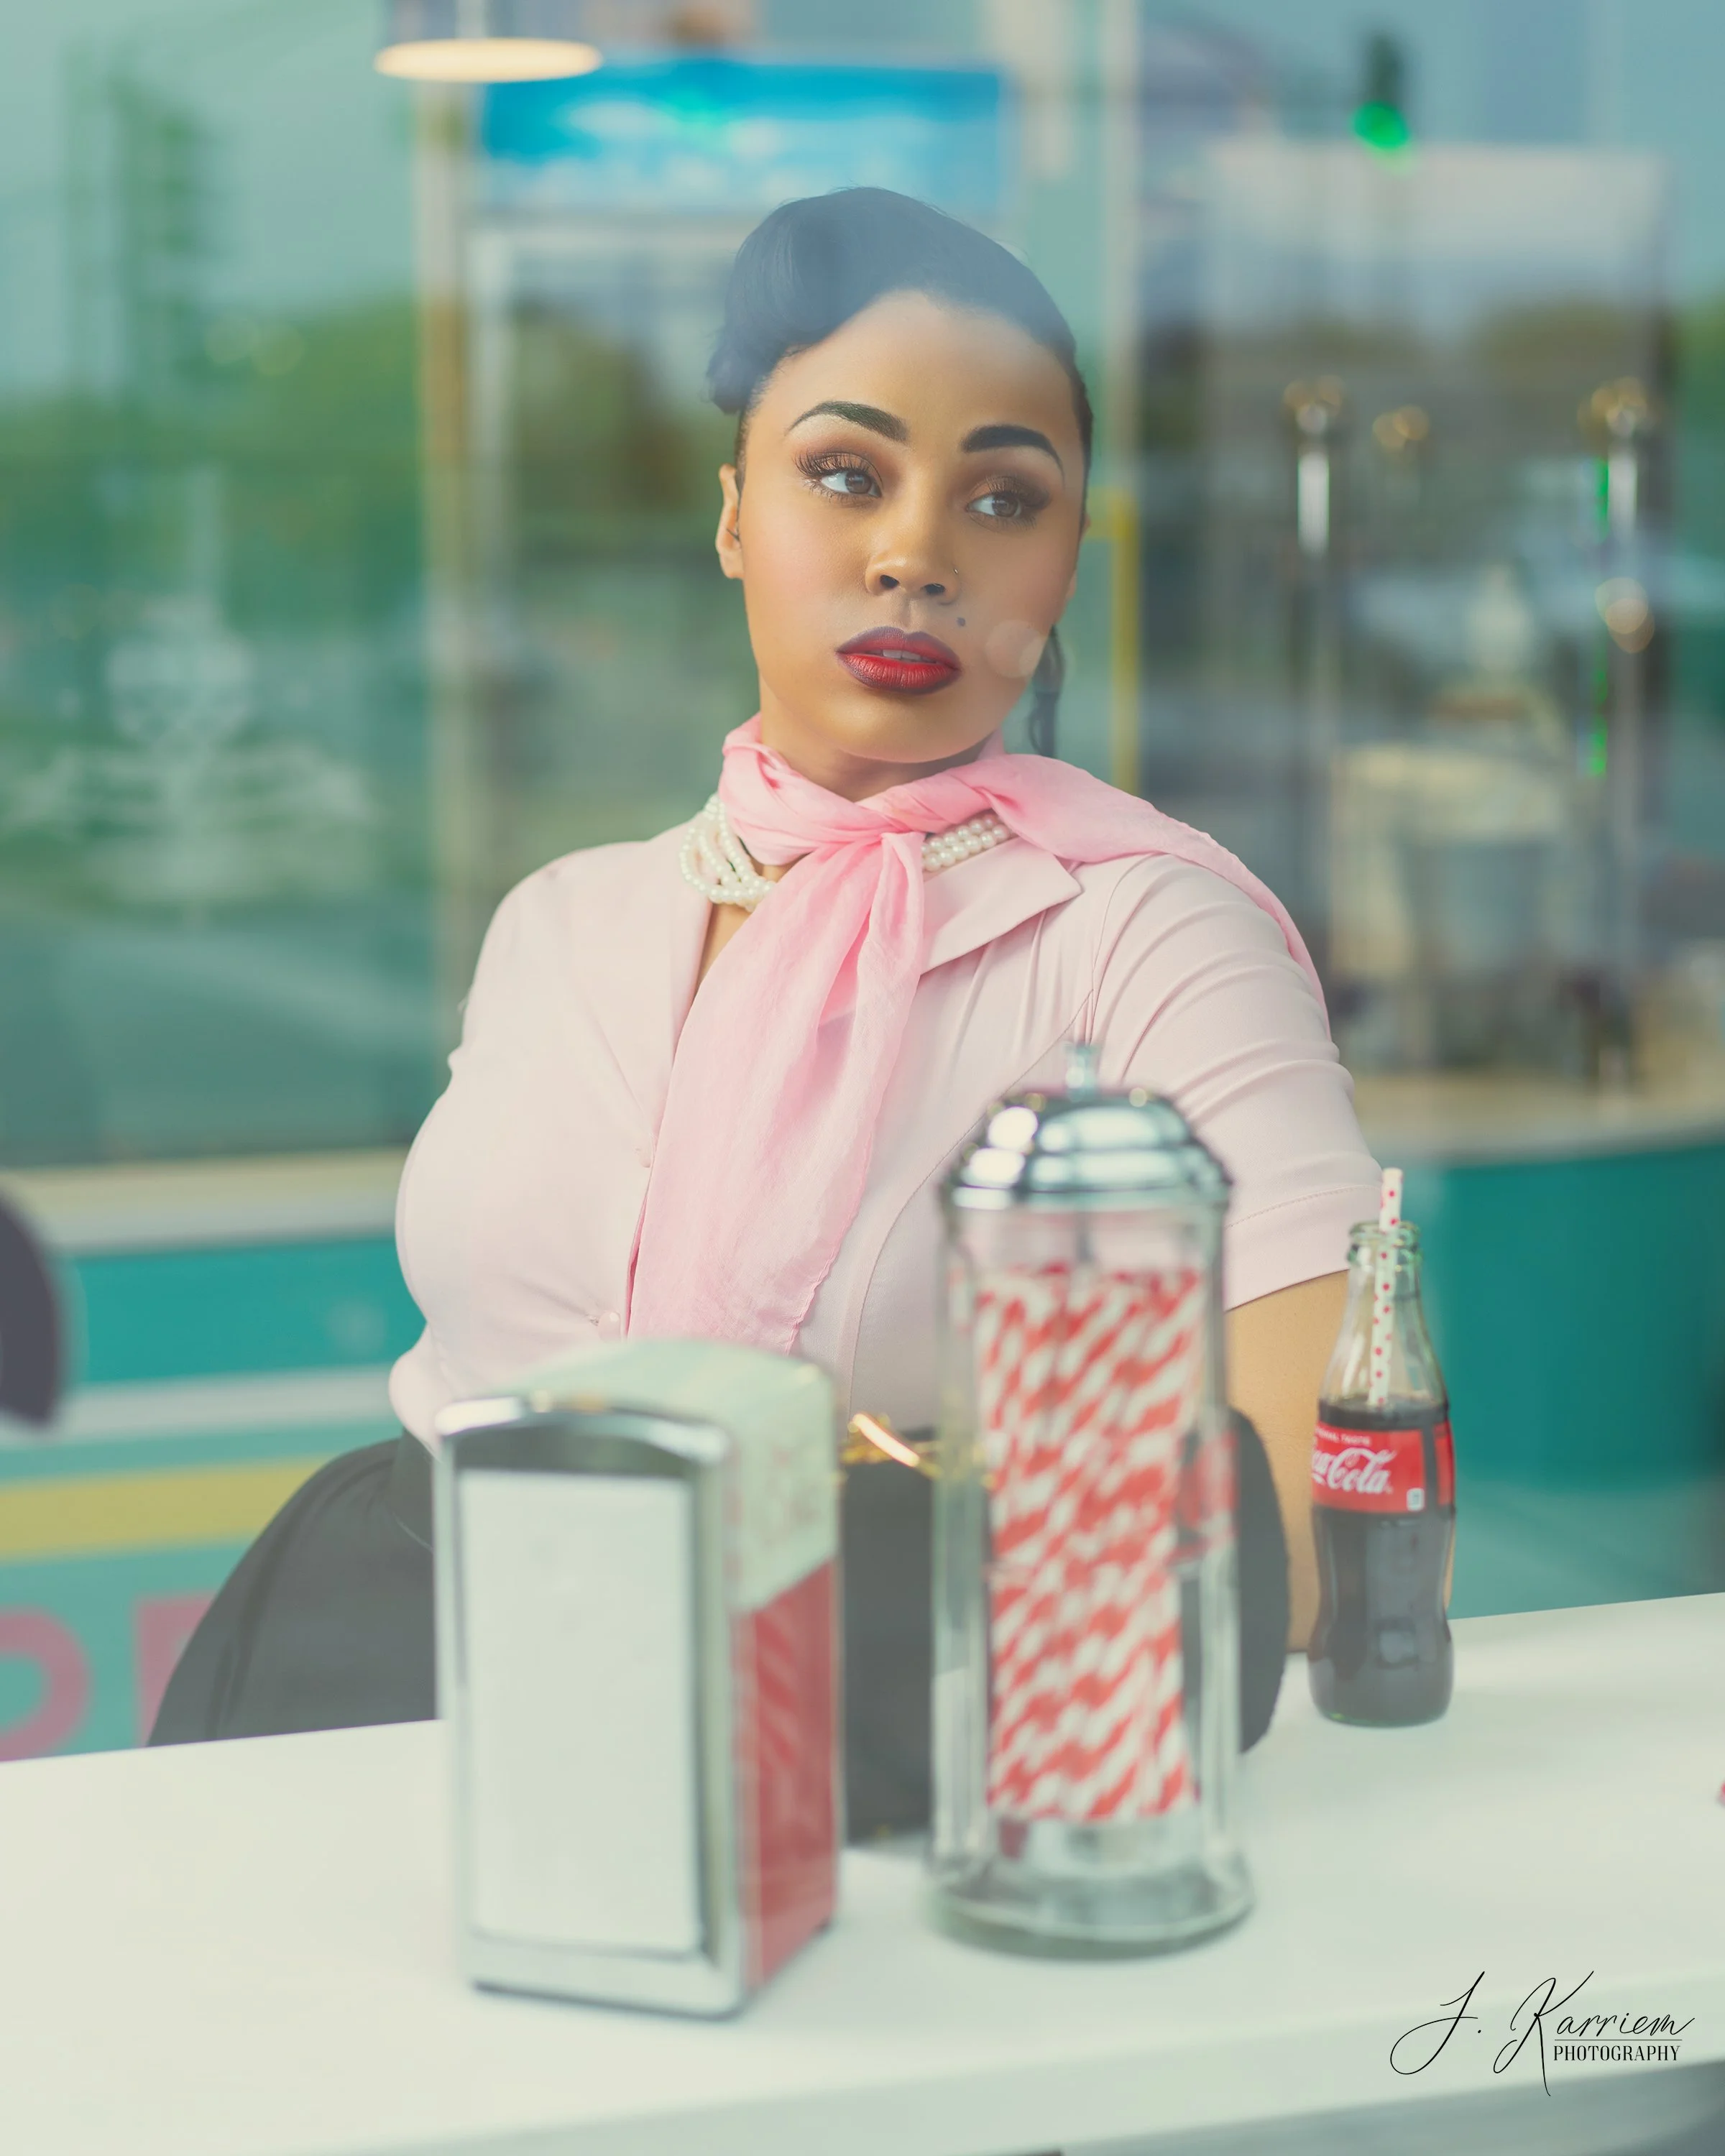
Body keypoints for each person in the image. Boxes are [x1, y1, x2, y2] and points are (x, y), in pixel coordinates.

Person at [152, 190, 1381, 1818]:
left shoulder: (1146, 935)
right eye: (845, 473)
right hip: (370, 1662)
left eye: (1002, 497)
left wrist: (873, 1666)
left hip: (852, 1741)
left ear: (1067, 555)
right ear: (735, 513)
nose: (914, 552)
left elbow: (1303, 1532)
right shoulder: (570, 919)